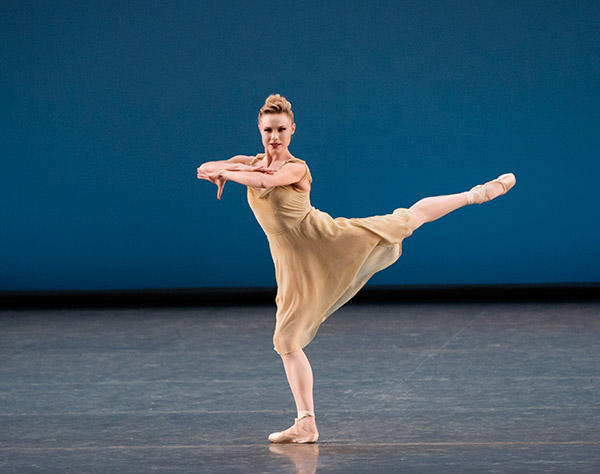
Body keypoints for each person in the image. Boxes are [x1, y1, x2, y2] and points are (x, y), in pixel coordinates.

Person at [197, 93, 516, 444]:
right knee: (286, 341)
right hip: (292, 262)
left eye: (281, 130)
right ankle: (306, 423)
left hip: (325, 238)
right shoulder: (251, 161)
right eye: (268, 130)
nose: (275, 137)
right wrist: (223, 169)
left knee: (406, 219)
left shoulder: (296, 168)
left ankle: (477, 194)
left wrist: (231, 172)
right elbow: (212, 166)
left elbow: (264, 182)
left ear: (292, 131)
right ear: (260, 130)